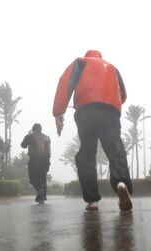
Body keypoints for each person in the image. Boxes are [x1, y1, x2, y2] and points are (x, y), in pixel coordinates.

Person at [53, 49, 133, 211]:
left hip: (86, 111)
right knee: (114, 147)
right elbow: (123, 95)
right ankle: (121, 182)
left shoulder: (81, 62)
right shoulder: (112, 68)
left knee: (87, 153)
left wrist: (58, 111)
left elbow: (65, 82)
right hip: (110, 111)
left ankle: (92, 201)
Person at [21, 123, 51, 204]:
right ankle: (42, 198)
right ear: (41, 129)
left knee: (32, 179)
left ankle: (39, 190)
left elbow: (23, 145)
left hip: (35, 159)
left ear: (33, 129)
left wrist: (28, 135)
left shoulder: (30, 136)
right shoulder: (47, 137)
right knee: (43, 179)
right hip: (46, 160)